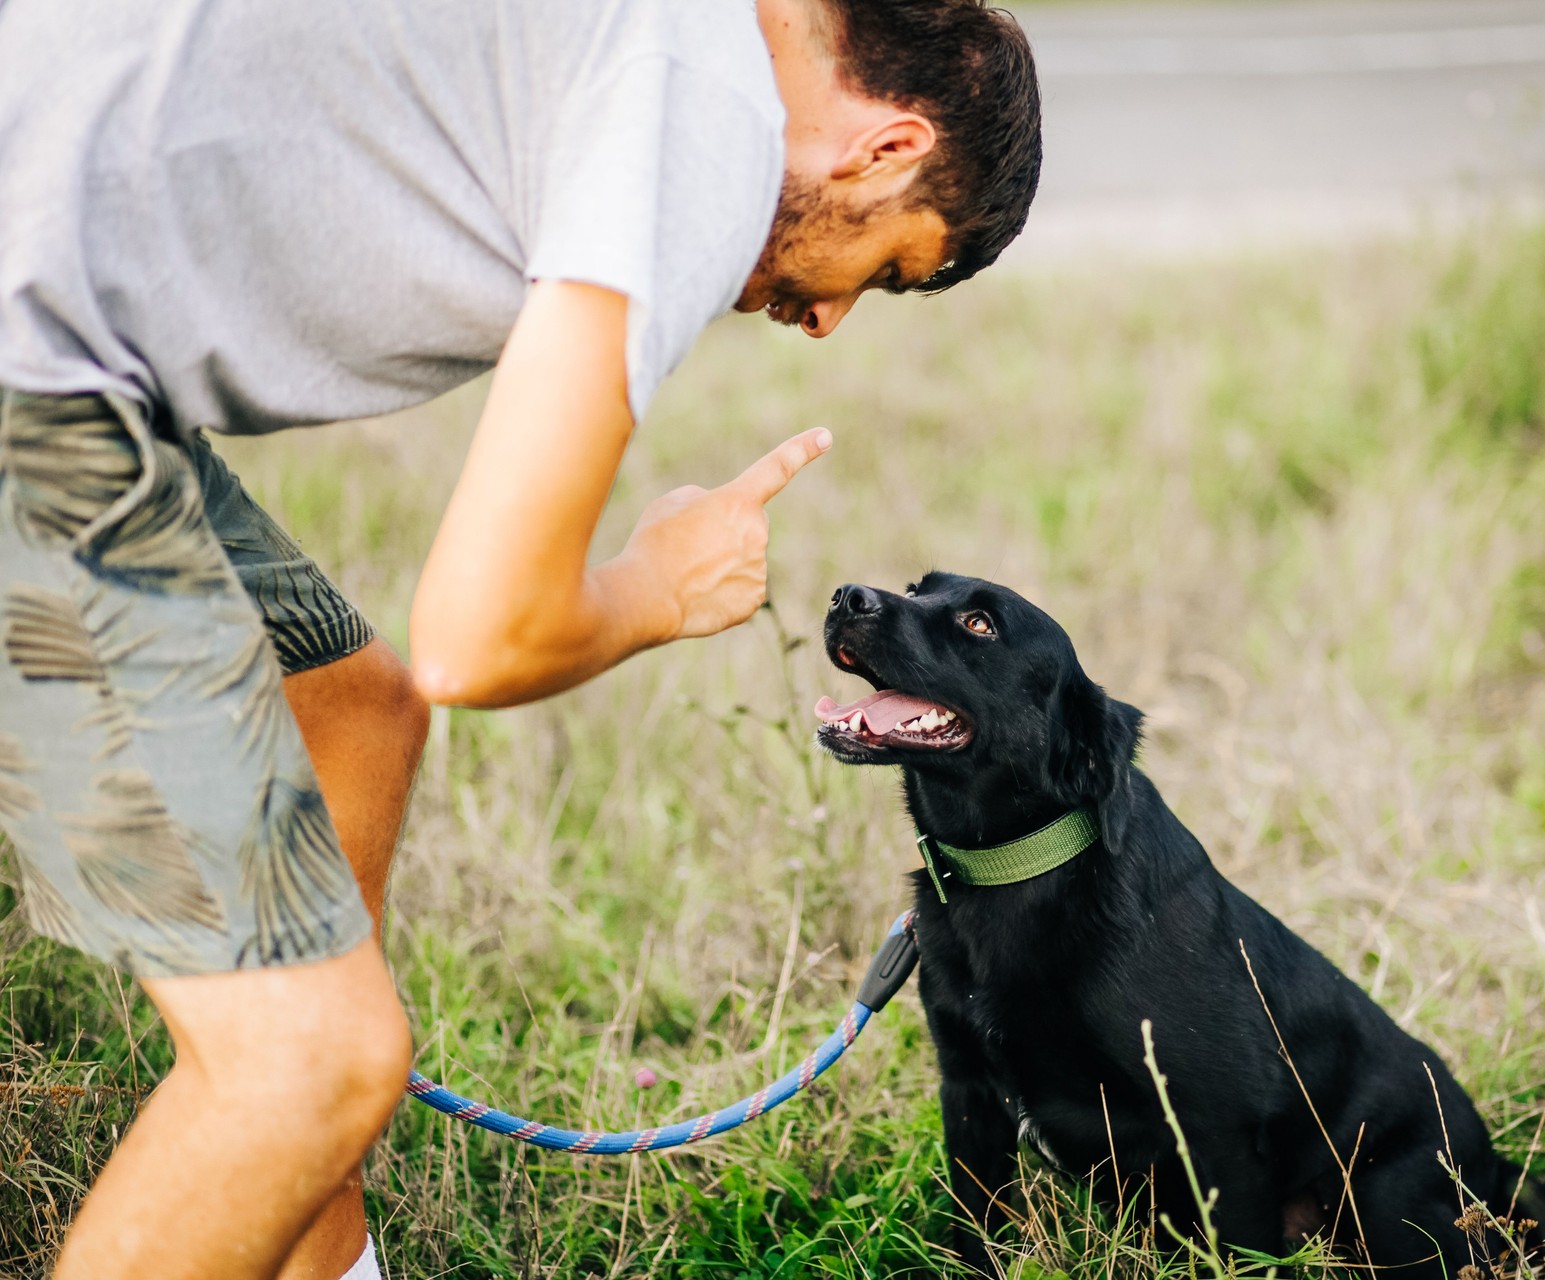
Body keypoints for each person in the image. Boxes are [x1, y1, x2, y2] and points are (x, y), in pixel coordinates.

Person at [0, 0, 1041, 1274]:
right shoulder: (708, 109)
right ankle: (266, 1084)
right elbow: (477, 635)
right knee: (315, 1064)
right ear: (884, 149)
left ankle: (321, 1247)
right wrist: (660, 587)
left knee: (354, 702)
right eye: (886, 269)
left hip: (71, 333)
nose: (829, 320)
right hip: (30, 368)